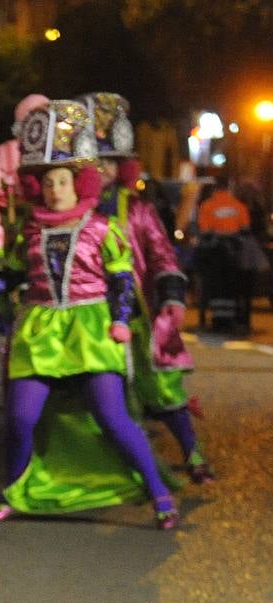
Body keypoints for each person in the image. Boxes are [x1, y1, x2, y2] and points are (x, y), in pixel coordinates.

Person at [0, 97, 178, 529]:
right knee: (19, 418)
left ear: (78, 182)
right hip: (40, 330)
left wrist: (120, 321)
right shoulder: (28, 230)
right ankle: (14, 490)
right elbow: (7, 274)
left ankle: (158, 492)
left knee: (112, 417)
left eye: (61, 181)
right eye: (46, 182)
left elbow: (123, 281)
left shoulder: (105, 229)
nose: (54, 189)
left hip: (90, 328)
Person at [81, 92, 214, 483]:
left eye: (109, 162)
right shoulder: (72, 210)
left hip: (137, 318)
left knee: (162, 388)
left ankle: (192, 454)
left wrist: (171, 295)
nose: (102, 169)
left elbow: (162, 256)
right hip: (89, 320)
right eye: (94, 162)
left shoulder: (137, 209)